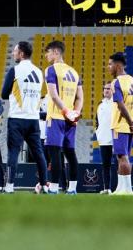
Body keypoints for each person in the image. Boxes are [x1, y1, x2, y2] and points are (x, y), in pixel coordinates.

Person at [0, 41, 48, 193]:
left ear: (21, 54)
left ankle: (9, 187)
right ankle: (44, 186)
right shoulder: (39, 72)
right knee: (39, 154)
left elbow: (3, 94)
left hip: (17, 118)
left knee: (13, 152)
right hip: (34, 119)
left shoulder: (14, 70)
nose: (13, 53)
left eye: (14, 51)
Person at [43, 40, 82, 195]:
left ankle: (53, 188)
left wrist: (65, 111)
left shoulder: (51, 69)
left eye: (48, 52)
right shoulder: (74, 72)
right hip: (70, 120)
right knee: (70, 153)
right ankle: (72, 189)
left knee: (55, 153)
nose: (46, 55)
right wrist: (75, 113)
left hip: (56, 116)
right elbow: (80, 97)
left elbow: (53, 95)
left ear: (56, 52)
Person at [108, 52, 133, 195]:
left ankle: (127, 189)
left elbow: (120, 104)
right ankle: (120, 188)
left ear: (118, 65)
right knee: (121, 156)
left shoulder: (117, 82)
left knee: (123, 157)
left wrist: (132, 122)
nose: (109, 67)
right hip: (129, 125)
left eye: (110, 64)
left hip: (121, 125)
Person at [95, 82, 114, 194]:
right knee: (105, 165)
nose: (106, 90)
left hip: (115, 140)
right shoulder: (100, 104)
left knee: (118, 165)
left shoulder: (116, 104)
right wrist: (98, 133)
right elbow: (97, 122)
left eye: (109, 89)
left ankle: (119, 188)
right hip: (103, 140)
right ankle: (107, 188)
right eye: (105, 88)